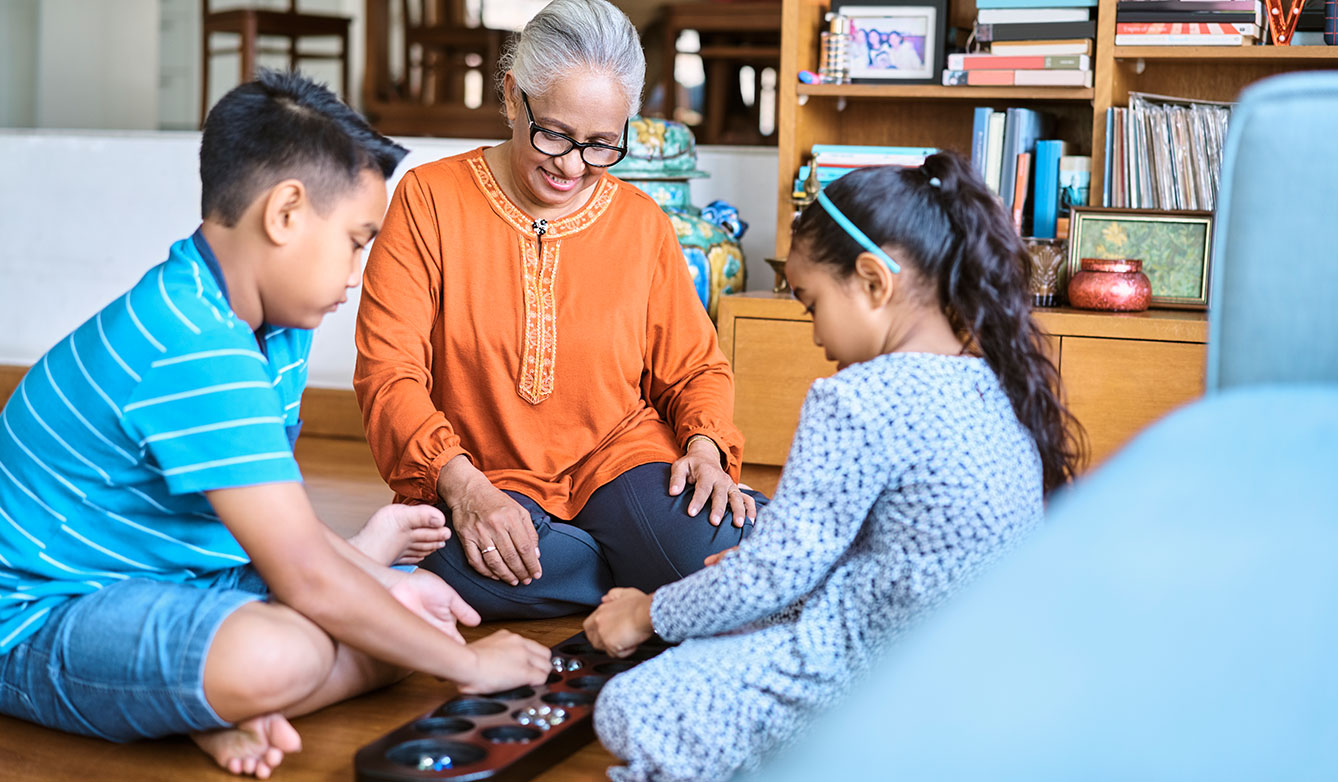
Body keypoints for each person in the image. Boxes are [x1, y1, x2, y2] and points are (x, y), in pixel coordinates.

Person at [0, 71, 551, 779]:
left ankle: (200, 707)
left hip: (175, 577)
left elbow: (278, 524)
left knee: (402, 615)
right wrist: (466, 665)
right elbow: (306, 575)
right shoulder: (189, 342)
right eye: (356, 241)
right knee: (298, 651)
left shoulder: (272, 326)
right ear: (286, 214)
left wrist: (389, 598)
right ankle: (210, 701)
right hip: (40, 616)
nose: (357, 275)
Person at [583, 152, 1086, 782]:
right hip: (979, 665)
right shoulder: (994, 381)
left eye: (811, 303)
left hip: (886, 668)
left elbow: (774, 576)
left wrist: (645, 612)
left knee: (631, 707)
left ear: (874, 282)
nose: (814, 331)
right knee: (734, 604)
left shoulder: (857, 398)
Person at [354, 0, 763, 621]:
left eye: (601, 145)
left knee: (709, 541)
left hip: (618, 460)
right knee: (455, 566)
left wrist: (705, 447)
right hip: (484, 473)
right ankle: (645, 574)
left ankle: (636, 561)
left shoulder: (641, 222)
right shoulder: (428, 200)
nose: (573, 166)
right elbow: (390, 373)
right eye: (555, 134)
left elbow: (694, 368)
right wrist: (461, 486)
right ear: (514, 98)